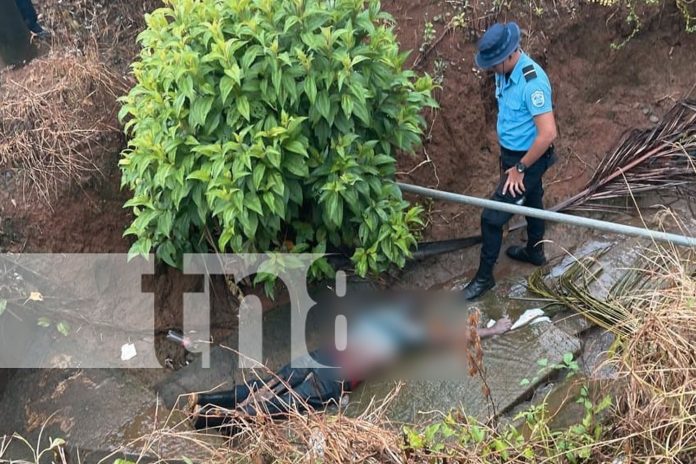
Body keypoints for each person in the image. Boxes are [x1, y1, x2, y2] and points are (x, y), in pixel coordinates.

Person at [186, 293, 512, 433]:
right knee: (276, 408)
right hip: (335, 376)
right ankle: (207, 423)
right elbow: (450, 338)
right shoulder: (410, 332)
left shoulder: (379, 314)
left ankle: (203, 400)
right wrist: (491, 330)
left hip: (319, 355)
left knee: (266, 385)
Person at [461, 21, 557, 300]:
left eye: (493, 64)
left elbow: (548, 133)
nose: (490, 70)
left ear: (509, 55)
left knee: (491, 218)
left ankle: (484, 278)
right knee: (533, 199)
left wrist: (519, 169)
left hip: (528, 160)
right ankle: (535, 252)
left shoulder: (532, 82)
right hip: (513, 156)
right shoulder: (504, 72)